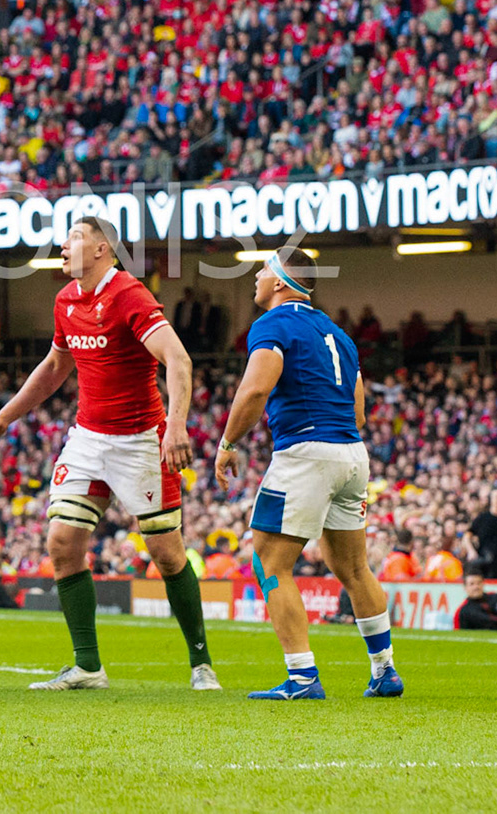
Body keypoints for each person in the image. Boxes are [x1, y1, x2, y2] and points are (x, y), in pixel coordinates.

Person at [0, 217, 218, 692]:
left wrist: (178, 427)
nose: (64, 247)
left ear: (102, 250)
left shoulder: (130, 295)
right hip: (88, 437)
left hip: (142, 438)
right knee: (61, 543)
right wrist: (5, 417)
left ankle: (201, 663)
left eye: (75, 238)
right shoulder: (66, 300)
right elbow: (56, 366)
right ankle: (87, 667)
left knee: (166, 553)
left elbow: (178, 359)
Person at [215, 247, 403, 700]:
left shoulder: (272, 325)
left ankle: (302, 677)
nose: (256, 277)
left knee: (270, 561)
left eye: (262, 270)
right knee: (354, 568)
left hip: (306, 452)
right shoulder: (339, 333)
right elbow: (358, 411)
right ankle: (384, 670)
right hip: (352, 455)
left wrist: (228, 443)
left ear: (280, 280)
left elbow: (257, 386)